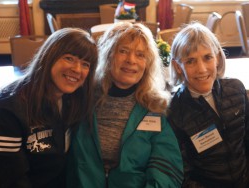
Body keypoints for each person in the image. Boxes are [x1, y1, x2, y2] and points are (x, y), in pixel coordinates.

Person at [67, 22, 183, 187]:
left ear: (147, 63)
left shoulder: (154, 106)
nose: (131, 60)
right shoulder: (83, 99)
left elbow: (166, 167)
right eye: (123, 51)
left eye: (140, 55)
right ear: (108, 55)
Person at [0, 27, 98, 188]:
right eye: (69, 58)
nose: (77, 69)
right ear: (49, 57)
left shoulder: (73, 99)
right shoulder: (8, 107)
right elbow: (9, 177)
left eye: (85, 64)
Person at [167, 22, 249, 188]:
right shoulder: (175, 111)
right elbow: (180, 168)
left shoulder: (236, 89)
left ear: (217, 58)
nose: (202, 69)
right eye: (190, 61)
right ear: (178, 67)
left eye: (207, 57)